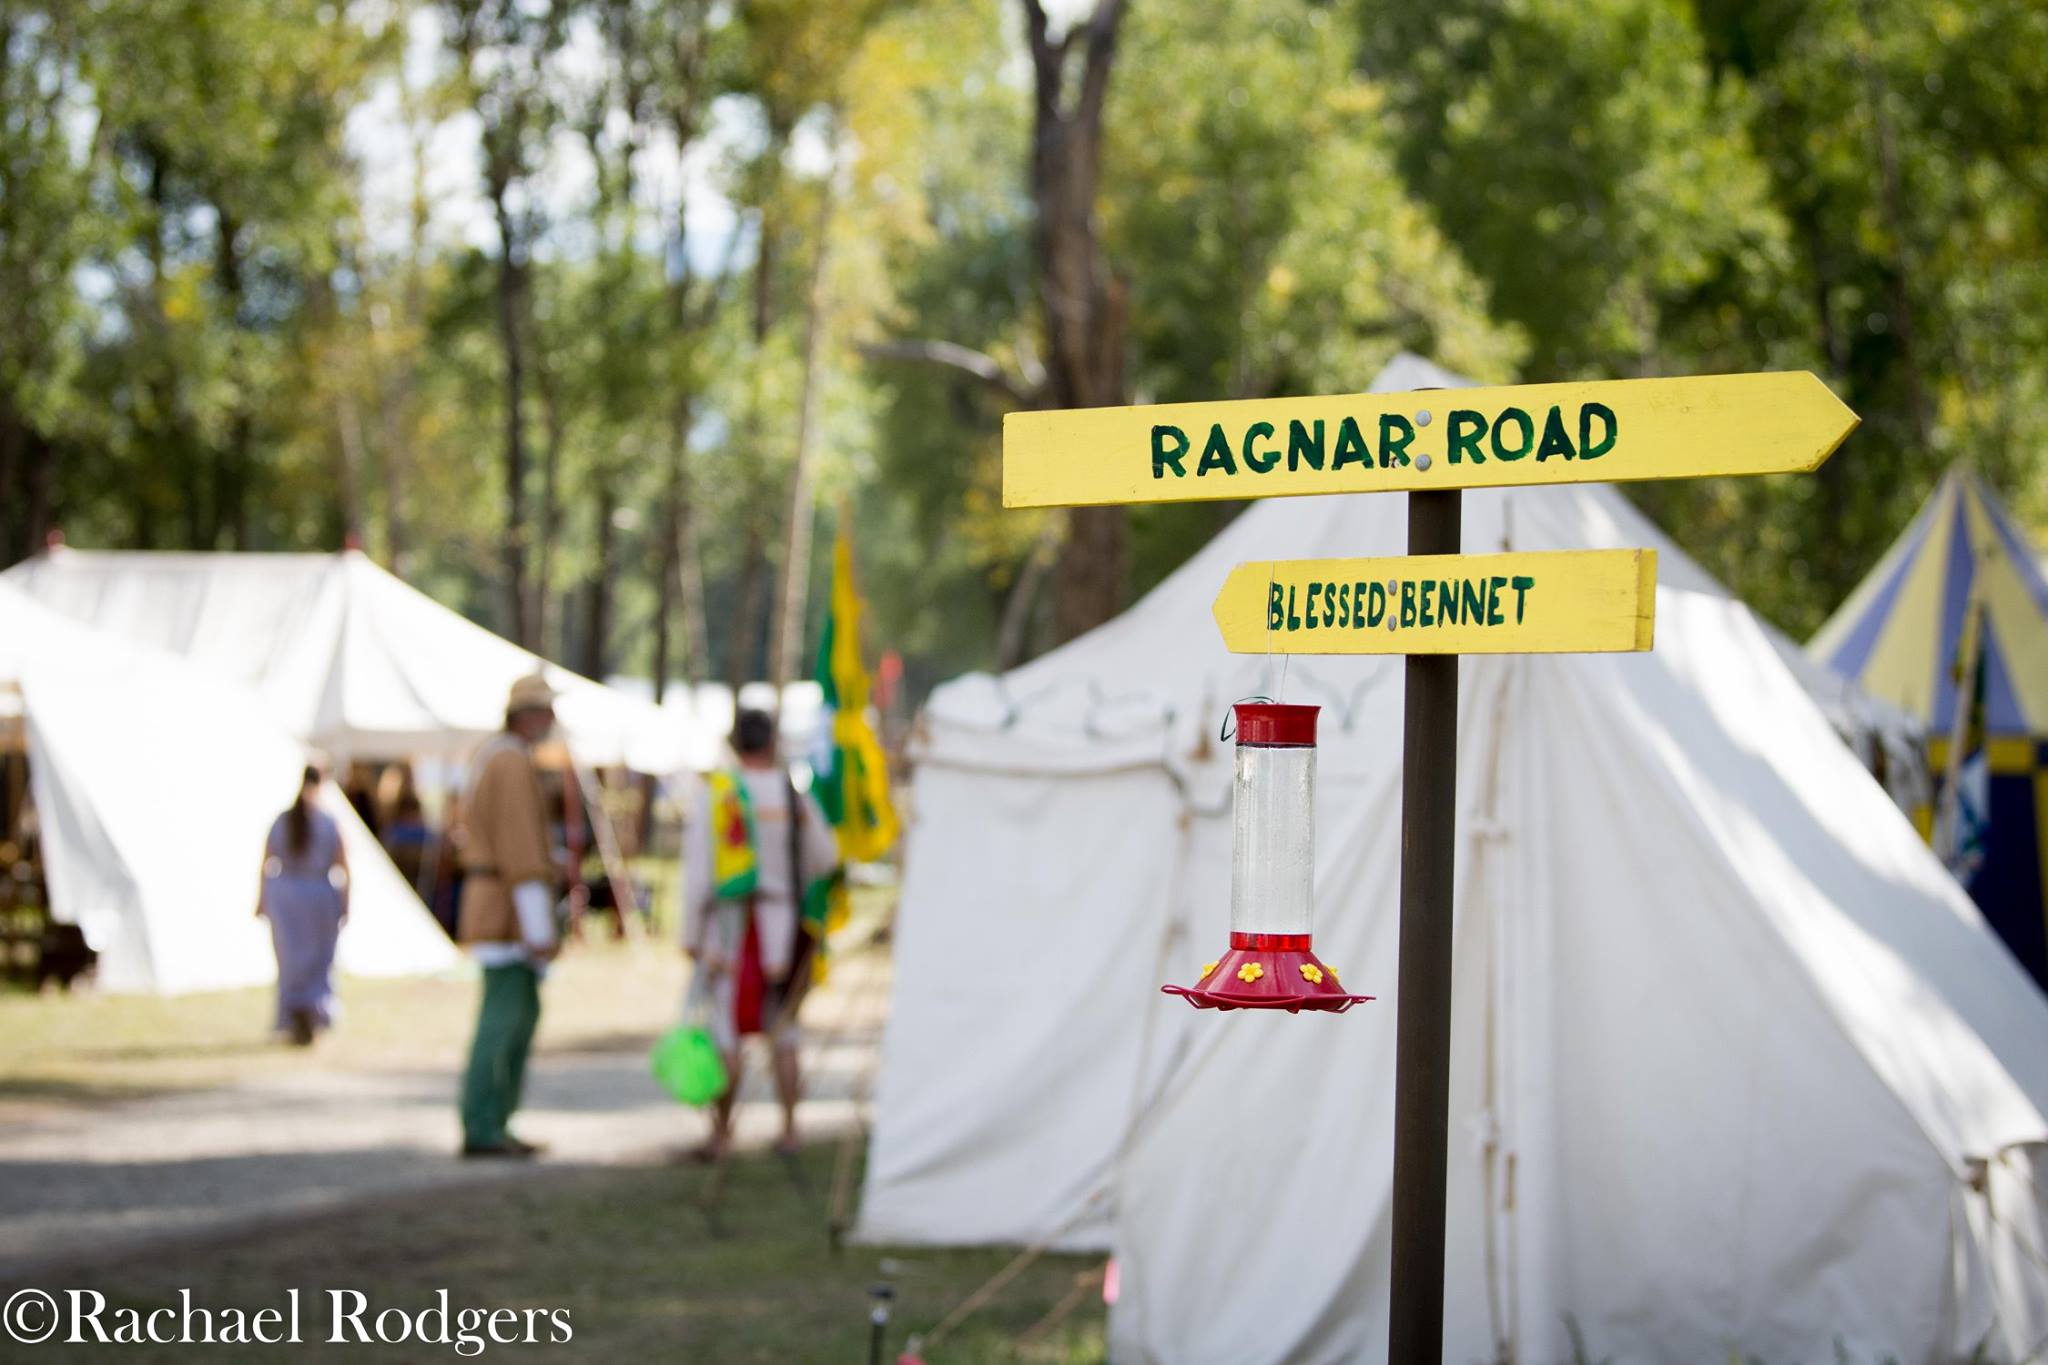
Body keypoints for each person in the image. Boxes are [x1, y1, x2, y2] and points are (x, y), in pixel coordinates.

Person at [683, 707, 840, 1160]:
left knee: (725, 1034)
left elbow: (698, 873)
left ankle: (722, 1134)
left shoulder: (719, 794)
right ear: (771, 743)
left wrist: (690, 934)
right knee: (784, 1034)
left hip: (728, 931)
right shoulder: (793, 796)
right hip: (780, 929)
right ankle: (790, 1130)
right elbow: (826, 857)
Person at [455, 673, 562, 1159]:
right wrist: (538, 925)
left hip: (501, 901)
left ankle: (495, 1120)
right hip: (505, 908)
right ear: (529, 715)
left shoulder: (495, 756)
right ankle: (484, 1124)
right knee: (505, 1016)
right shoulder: (511, 762)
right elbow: (521, 851)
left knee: (515, 1013)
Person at [257, 761, 350, 1046]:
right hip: (317, 897)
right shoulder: (327, 821)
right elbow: (344, 866)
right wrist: (345, 902)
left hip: (287, 897)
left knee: (292, 960)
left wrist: (262, 899)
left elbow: (266, 863)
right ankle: (307, 1013)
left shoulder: (285, 820)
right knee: (315, 960)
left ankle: (299, 1014)